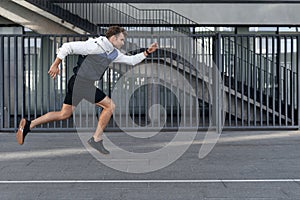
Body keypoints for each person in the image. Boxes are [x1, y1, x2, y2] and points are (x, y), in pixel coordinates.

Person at [16, 26, 158, 154]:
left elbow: (131, 60)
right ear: (113, 38)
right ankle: (96, 139)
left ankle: (29, 124)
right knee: (110, 106)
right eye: (121, 39)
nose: (123, 42)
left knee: (64, 114)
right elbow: (67, 47)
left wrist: (146, 52)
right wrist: (55, 64)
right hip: (81, 83)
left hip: (78, 83)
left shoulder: (113, 53)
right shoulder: (94, 45)